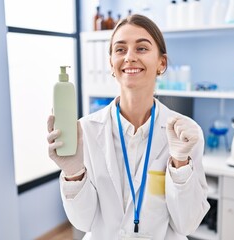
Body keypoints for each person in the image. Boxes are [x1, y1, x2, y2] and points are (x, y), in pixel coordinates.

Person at [47, 14, 210, 240]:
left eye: (142, 48)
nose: (129, 57)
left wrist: (180, 164)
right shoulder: (86, 130)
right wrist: (73, 174)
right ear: (111, 63)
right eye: (120, 50)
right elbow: (83, 222)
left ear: (161, 63)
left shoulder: (185, 133)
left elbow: (187, 224)